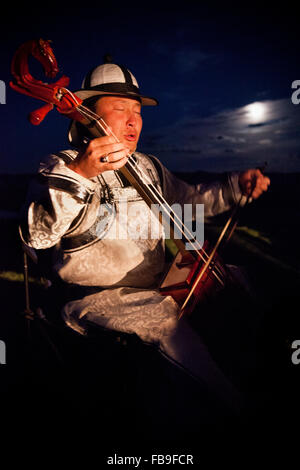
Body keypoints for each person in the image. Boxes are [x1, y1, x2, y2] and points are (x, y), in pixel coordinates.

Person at [20, 58, 270, 425]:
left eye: (137, 111)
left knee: (240, 279)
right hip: (89, 297)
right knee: (165, 323)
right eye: (119, 109)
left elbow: (188, 204)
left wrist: (235, 188)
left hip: (152, 288)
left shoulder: (148, 167)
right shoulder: (61, 166)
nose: (133, 120)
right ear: (87, 115)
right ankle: (233, 411)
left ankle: (264, 370)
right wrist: (82, 173)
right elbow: (37, 237)